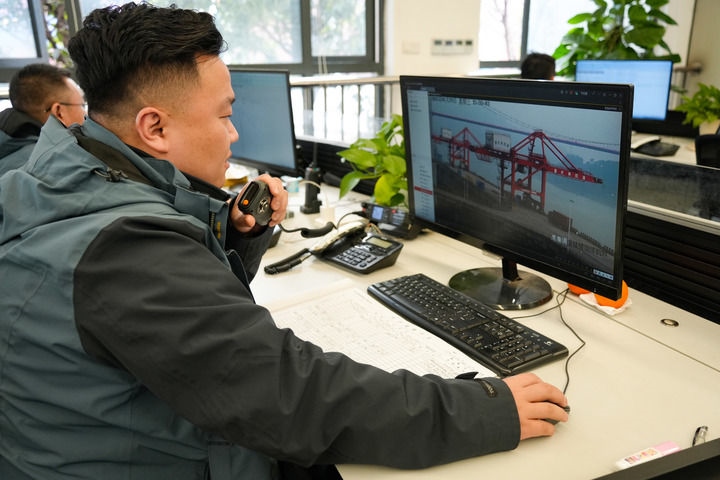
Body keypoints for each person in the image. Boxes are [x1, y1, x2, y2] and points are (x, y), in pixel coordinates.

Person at [0, 3, 569, 479]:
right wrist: (483, 409)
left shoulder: (53, 179)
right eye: (224, 115)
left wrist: (230, 234)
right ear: (155, 127)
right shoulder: (127, 250)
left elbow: (171, 317)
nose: (234, 133)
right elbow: (291, 396)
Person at [0, 63, 86, 175]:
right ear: (59, 112)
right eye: (81, 105)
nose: (85, 113)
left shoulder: (9, 147)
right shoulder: (57, 166)